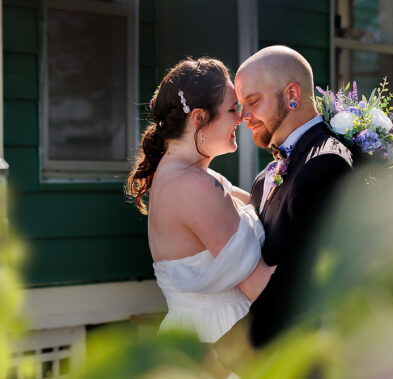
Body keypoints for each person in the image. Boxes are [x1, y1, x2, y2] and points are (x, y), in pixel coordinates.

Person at [125, 57, 274, 344]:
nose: (242, 118)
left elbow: (265, 205)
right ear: (199, 119)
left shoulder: (182, 176)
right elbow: (262, 288)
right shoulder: (195, 187)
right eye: (232, 109)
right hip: (222, 338)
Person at [234, 45, 353, 347]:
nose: (243, 116)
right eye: (240, 104)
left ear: (292, 95)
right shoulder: (263, 180)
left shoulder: (326, 164)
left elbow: (307, 289)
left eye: (253, 101)